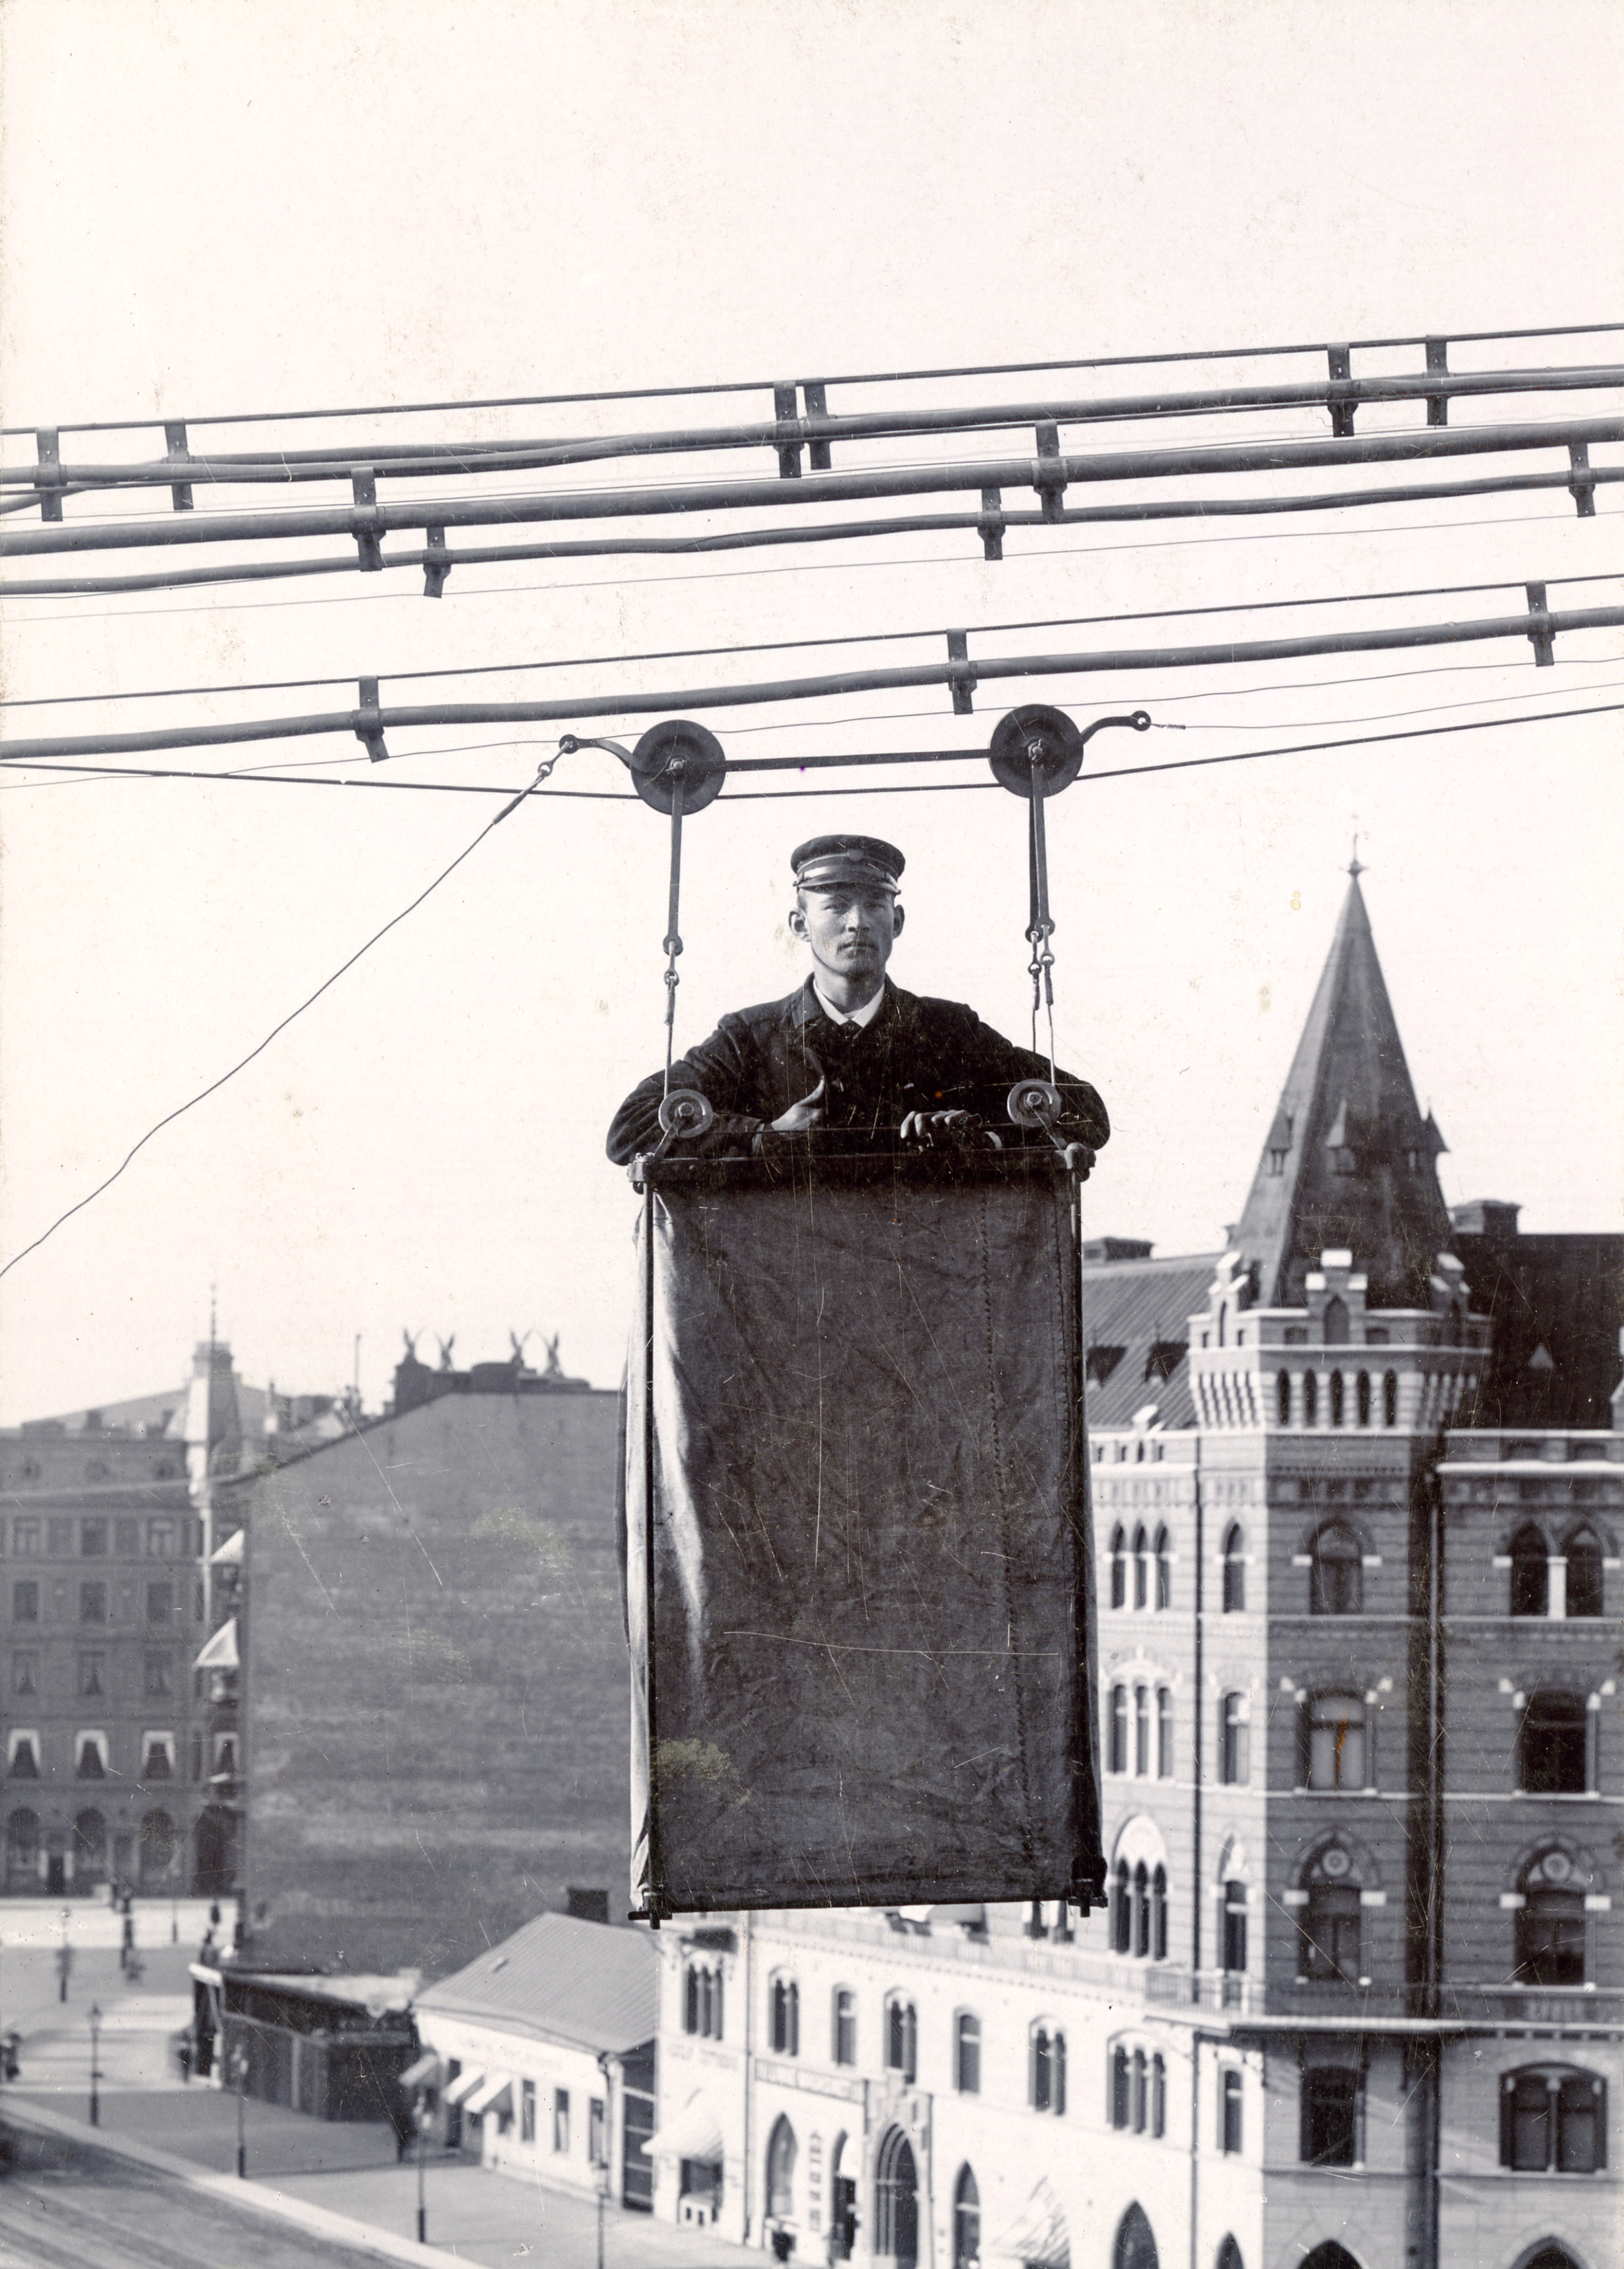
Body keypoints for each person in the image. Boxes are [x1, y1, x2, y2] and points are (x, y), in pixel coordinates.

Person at [606, 834, 1109, 1164]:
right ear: (800, 925)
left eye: (873, 904)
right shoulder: (750, 1040)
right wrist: (763, 1137)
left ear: (898, 920)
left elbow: (1087, 1112)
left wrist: (983, 1135)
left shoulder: (948, 1032)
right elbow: (631, 1129)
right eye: (836, 906)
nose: (857, 922)